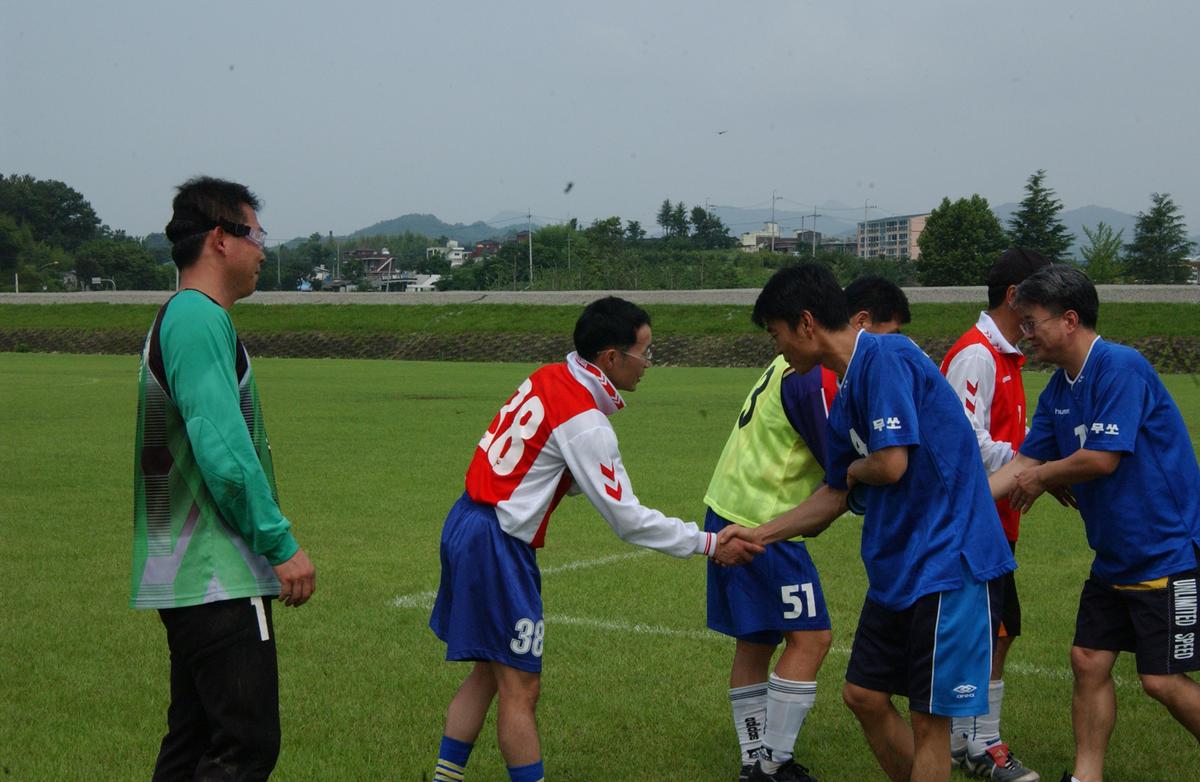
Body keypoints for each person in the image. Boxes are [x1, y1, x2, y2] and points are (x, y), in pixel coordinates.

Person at [429, 296, 760, 782]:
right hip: (496, 541)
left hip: (466, 520)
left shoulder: (549, 376)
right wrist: (708, 543)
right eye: (645, 352)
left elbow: (539, 461)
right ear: (610, 357)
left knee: (489, 671)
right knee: (521, 686)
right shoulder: (586, 423)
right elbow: (627, 520)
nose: (649, 363)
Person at [720, 263, 1015, 782]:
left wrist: (856, 469)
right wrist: (759, 535)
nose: (779, 349)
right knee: (863, 695)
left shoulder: (889, 356)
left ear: (806, 323)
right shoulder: (843, 396)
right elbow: (834, 495)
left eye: (777, 334)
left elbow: (888, 463)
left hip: (948, 565)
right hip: (897, 569)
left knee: (930, 724)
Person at [131, 176, 317, 781]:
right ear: (220, 239)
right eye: (256, 234)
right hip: (218, 574)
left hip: (190, 575)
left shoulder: (188, 317)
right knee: (245, 745)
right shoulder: (195, 317)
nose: (263, 250)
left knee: (192, 743)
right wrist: (279, 542)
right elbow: (223, 450)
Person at [987, 265, 1200, 782]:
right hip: (1115, 558)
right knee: (1087, 659)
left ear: (1070, 320)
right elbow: (1022, 465)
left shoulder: (1119, 367)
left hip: (1165, 554)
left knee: (1162, 682)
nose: (1025, 334)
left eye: (1032, 323)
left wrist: (1045, 477)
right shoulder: (1059, 389)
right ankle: (1086, 777)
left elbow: (1102, 457)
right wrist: (957, 509)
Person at [705, 276, 911, 782]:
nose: (893, 345)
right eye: (890, 332)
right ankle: (771, 765)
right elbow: (840, 468)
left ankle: (755, 761)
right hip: (764, 517)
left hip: (730, 508)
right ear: (858, 322)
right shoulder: (814, 375)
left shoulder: (792, 365)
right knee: (812, 638)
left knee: (755, 641)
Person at [940, 249, 1050, 782]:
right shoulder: (977, 355)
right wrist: (1035, 464)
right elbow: (965, 442)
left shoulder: (1005, 355)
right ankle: (982, 745)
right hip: (974, 525)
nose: (1044, 315)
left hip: (998, 523)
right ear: (1014, 296)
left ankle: (968, 739)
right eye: (1040, 298)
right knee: (989, 632)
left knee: (999, 632)